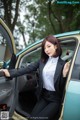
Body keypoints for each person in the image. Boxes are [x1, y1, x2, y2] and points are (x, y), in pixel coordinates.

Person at [0, 35, 70, 120]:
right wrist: (10, 73)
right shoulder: (42, 61)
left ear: (55, 46)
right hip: (44, 95)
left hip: (55, 99)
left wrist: (64, 75)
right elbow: (27, 69)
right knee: (32, 117)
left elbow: (62, 87)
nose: (46, 50)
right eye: (44, 48)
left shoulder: (63, 64)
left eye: (49, 46)